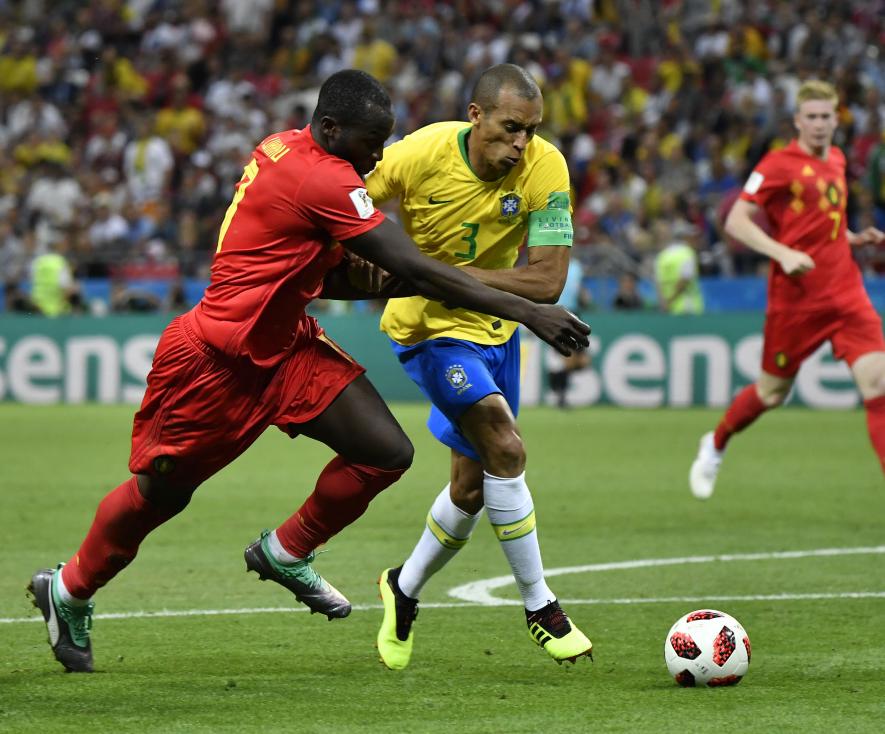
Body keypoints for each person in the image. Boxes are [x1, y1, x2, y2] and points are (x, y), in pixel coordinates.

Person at [27, 69, 590, 674]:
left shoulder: (293, 149)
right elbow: (414, 268)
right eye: (372, 144)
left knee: (383, 452)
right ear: (330, 129)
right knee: (161, 495)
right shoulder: (322, 179)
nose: (379, 158)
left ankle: (286, 551)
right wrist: (530, 310)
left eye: (385, 142)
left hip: (288, 345)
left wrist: (374, 270)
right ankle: (68, 589)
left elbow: (346, 270)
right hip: (217, 360)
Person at [364, 63, 593, 669]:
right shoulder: (419, 155)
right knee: (506, 447)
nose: (522, 144)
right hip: (430, 329)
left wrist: (443, 275)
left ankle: (402, 588)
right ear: (476, 117)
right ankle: (539, 605)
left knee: (470, 490)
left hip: (494, 328)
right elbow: (346, 195)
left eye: (531, 131)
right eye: (511, 128)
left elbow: (548, 278)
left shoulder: (547, 167)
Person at [690, 80, 885, 499]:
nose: (818, 124)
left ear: (837, 119)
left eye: (825, 117)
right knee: (771, 393)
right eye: (811, 117)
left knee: (880, 386)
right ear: (798, 120)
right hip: (796, 301)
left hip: (847, 293)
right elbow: (736, 221)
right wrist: (782, 253)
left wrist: (849, 238)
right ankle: (717, 442)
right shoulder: (777, 164)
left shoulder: (836, 158)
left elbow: (819, 223)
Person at [653, 220, 704, 315]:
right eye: (692, 237)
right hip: (688, 307)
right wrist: (670, 301)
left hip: (670, 310)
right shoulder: (688, 253)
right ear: (685, 237)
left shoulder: (661, 256)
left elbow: (658, 284)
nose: (696, 240)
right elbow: (684, 280)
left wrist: (664, 304)